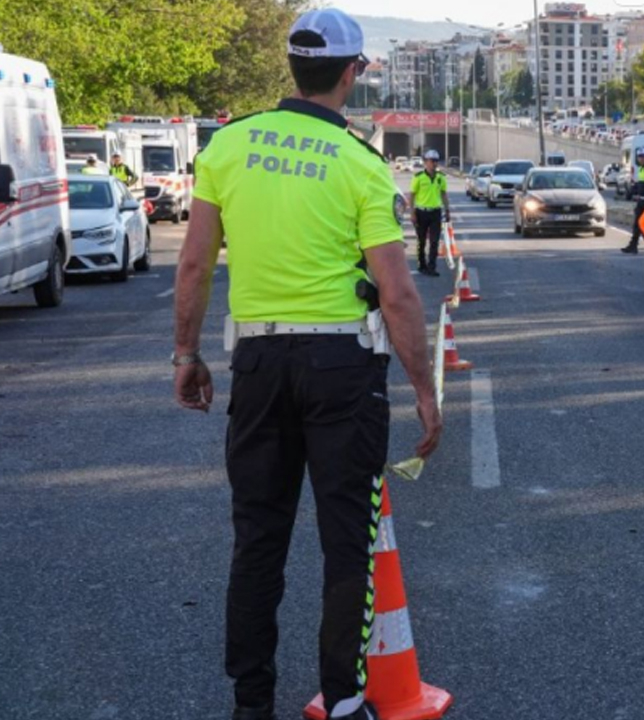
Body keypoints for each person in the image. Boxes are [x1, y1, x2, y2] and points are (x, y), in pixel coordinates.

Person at [171, 9, 443, 720]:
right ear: (353, 72)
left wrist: (186, 354)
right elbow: (396, 291)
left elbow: (195, 261)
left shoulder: (227, 147)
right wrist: (425, 388)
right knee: (345, 540)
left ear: (292, 66)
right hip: (341, 365)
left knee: (258, 538)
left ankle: (251, 703)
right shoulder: (359, 162)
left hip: (257, 359)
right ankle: (346, 700)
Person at [408, 149, 449, 276]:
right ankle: (422, 265)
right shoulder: (418, 177)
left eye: (436, 161)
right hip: (421, 212)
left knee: (434, 241)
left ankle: (432, 267)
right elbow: (412, 195)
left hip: (435, 213)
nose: (434, 164)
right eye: (431, 161)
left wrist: (447, 210)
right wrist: (412, 212)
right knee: (421, 241)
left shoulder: (441, 178)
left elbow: (444, 194)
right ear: (425, 162)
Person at [620, 147, 644, 254]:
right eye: (639, 157)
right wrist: (634, 192)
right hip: (641, 201)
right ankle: (633, 246)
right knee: (637, 225)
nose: (641, 159)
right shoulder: (642, 168)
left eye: (643, 156)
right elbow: (641, 184)